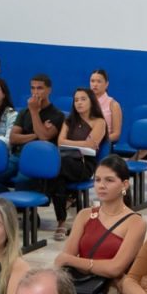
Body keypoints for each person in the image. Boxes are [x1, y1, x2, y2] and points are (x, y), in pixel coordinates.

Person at [55, 155, 147, 294]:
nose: (101, 185)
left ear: (124, 185)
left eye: (109, 180)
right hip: (80, 285)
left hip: (112, 290)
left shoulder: (136, 223)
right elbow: (64, 260)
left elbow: (115, 269)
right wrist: (73, 261)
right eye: (97, 180)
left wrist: (75, 261)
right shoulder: (84, 215)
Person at [51, 87, 108, 240]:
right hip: (66, 161)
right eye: (76, 100)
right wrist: (83, 143)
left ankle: (63, 212)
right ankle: (61, 221)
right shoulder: (69, 121)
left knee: (56, 170)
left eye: (83, 99)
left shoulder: (99, 122)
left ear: (91, 101)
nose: (79, 103)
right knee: (58, 176)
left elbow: (91, 145)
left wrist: (75, 143)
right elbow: (60, 142)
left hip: (85, 164)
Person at [9, 74, 66, 185]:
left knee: (21, 181)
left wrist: (34, 111)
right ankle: (5, 200)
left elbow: (44, 137)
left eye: (39, 88)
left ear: (49, 90)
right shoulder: (24, 112)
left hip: (38, 158)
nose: (35, 92)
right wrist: (36, 134)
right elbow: (13, 138)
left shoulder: (57, 115)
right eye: (32, 88)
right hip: (18, 155)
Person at [90, 69, 123, 148]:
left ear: (106, 84)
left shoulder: (113, 105)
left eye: (99, 81)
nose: (95, 84)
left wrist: (98, 141)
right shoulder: (86, 102)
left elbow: (116, 134)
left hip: (104, 144)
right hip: (85, 143)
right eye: (92, 81)